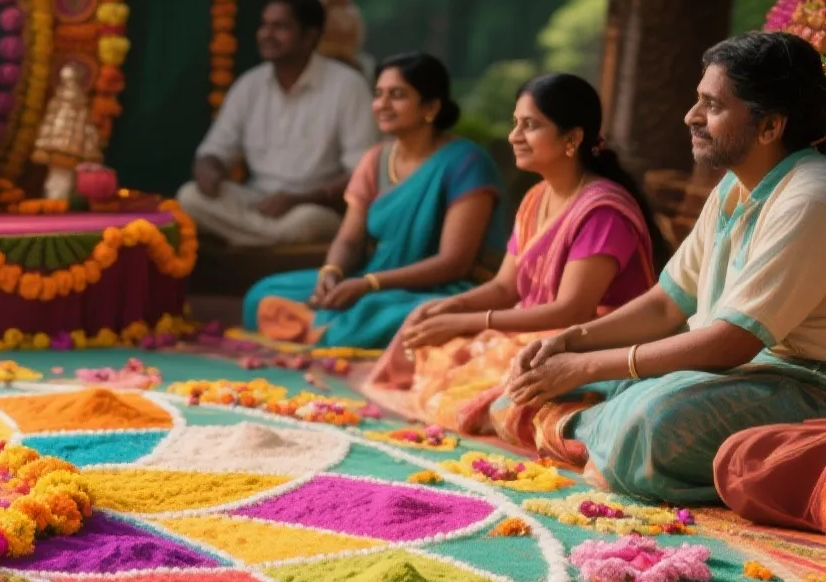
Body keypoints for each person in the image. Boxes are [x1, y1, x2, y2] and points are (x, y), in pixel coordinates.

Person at [499, 31, 826, 504]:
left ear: (770, 126)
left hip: (802, 386)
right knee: (527, 386)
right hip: (736, 373)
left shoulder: (808, 198)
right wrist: (569, 340)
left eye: (711, 105)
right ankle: (587, 427)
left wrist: (585, 365)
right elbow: (665, 303)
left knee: (647, 424)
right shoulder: (735, 187)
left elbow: (733, 340)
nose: (690, 117)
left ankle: (589, 428)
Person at [365, 73, 661, 432]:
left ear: (572, 138)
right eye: (515, 123)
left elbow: (572, 311)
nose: (514, 136)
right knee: (435, 336)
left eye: (530, 125)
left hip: (588, 340)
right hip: (537, 327)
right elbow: (506, 288)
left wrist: (467, 321)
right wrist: (451, 308)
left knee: (481, 368)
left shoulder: (602, 211)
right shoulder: (536, 197)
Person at [239, 52, 506, 349]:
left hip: (438, 289)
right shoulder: (376, 158)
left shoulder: (466, 162)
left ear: (431, 107)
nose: (382, 105)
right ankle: (328, 325)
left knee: (390, 315)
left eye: (397, 95)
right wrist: (332, 274)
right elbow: (350, 239)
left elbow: (454, 263)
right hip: (368, 280)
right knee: (261, 294)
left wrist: (370, 284)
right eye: (378, 94)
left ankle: (323, 327)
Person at [177, 0, 380, 249]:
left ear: (310, 36)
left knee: (306, 223)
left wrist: (298, 199)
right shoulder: (250, 84)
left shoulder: (347, 86)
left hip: (313, 205)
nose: (266, 34)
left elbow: (362, 172)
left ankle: (242, 243)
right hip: (257, 203)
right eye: (264, 25)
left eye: (280, 27)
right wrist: (209, 170)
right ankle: (264, 242)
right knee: (189, 196)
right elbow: (216, 149)